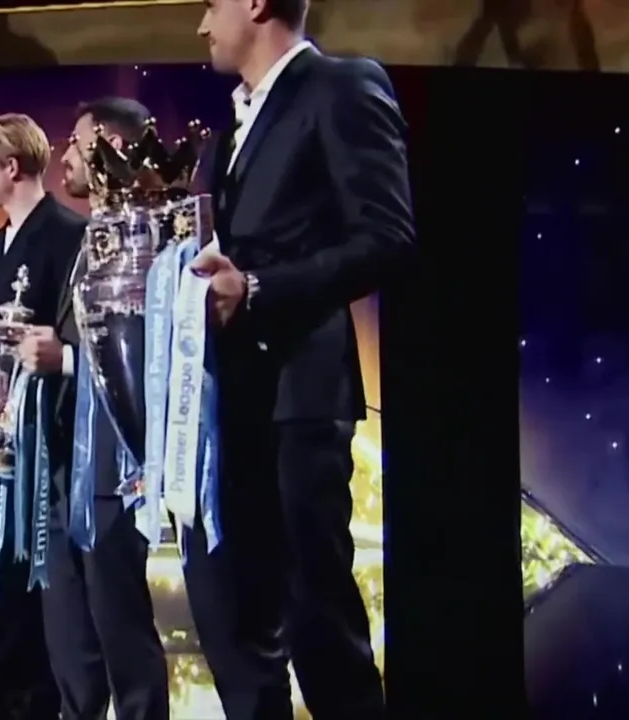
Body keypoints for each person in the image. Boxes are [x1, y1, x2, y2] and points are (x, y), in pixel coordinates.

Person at [184, 1, 415, 718]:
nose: (201, 25)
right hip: (235, 402)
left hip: (301, 398)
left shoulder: (341, 86)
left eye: (210, 4)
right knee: (245, 618)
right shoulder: (229, 130)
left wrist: (256, 288)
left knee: (317, 619)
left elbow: (388, 238)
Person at [17, 97, 170, 720]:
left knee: (118, 620)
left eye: (77, 144)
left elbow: (152, 349)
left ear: (113, 149)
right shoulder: (89, 236)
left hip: (113, 460)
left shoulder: (149, 236)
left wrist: (67, 360)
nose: (66, 157)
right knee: (68, 624)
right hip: (63, 456)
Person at [0, 112, 84, 719]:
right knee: (0, 575)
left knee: (45, 587)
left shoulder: (70, 235)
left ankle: (40, 699)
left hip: (53, 443)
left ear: (11, 167)